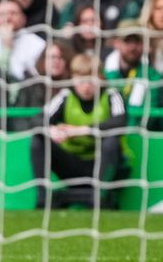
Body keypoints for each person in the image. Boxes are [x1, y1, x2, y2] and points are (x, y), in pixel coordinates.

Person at [28, 53, 126, 209]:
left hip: (103, 165)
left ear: (100, 78)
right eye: (81, 80)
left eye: (91, 81)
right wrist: (51, 130)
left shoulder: (111, 94)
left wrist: (81, 130)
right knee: (38, 140)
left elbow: (120, 121)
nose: (86, 87)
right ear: (73, 78)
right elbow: (37, 119)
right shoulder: (65, 95)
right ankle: (43, 198)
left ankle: (101, 196)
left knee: (112, 142)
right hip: (73, 165)